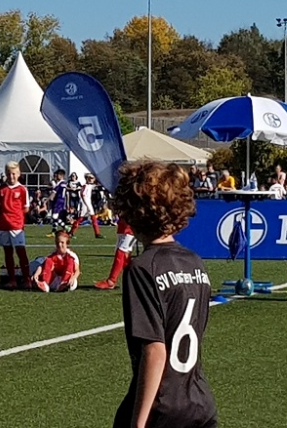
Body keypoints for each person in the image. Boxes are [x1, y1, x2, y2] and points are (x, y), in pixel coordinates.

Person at [110, 161, 218, 428]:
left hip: (162, 409)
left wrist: (138, 423)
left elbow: (155, 350)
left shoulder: (143, 268)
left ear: (134, 212)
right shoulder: (195, 262)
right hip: (199, 403)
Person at [0, 162, 31, 290]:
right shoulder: (1, 189)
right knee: (8, 252)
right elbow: (0, 204)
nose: (11, 176)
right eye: (9, 174)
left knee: (21, 252)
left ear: (19, 174)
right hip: (3, 224)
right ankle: (12, 280)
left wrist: (16, 216)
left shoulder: (22, 189)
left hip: (16, 226)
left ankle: (27, 279)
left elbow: (26, 208)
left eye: (14, 174)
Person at [94, 217, 137, 290]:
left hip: (132, 223)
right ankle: (133, 280)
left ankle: (111, 281)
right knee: (125, 255)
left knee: (121, 252)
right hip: (124, 222)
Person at [71, 173, 104, 239]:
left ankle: (97, 233)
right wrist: (87, 205)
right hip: (85, 204)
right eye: (91, 178)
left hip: (88, 204)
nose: (92, 180)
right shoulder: (85, 186)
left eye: (92, 178)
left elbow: (98, 185)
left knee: (93, 218)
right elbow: (82, 195)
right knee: (80, 218)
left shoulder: (90, 186)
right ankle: (71, 232)